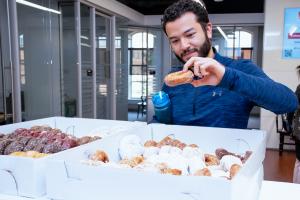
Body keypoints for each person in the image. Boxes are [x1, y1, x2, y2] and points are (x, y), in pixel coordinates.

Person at [154, 0, 298, 128]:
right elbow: (161, 120)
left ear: (208, 30)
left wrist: (226, 77)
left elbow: (288, 103)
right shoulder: (174, 79)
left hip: (225, 156)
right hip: (179, 156)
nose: (184, 45)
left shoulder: (237, 69)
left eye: (190, 34)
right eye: (175, 40)